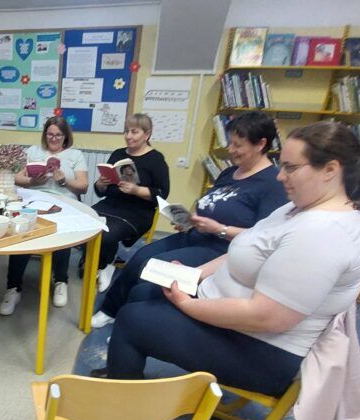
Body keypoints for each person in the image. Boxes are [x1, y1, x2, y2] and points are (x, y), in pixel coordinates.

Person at [90, 120, 360, 399]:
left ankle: (123, 400)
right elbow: (246, 247)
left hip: (263, 349)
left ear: (330, 170)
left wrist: (188, 304)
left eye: (290, 168)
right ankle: (123, 370)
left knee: (133, 320)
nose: (280, 176)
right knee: (143, 291)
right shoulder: (299, 209)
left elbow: (266, 317)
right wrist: (195, 274)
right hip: (236, 315)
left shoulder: (323, 233)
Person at [91, 111, 287, 328]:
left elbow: (264, 237)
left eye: (237, 145)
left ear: (260, 144)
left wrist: (220, 229)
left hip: (221, 249)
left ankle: (135, 320)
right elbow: (211, 203)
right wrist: (190, 220)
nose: (230, 150)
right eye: (230, 143)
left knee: (153, 269)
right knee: (139, 257)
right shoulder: (230, 172)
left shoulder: (272, 184)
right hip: (194, 234)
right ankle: (110, 310)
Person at [0, 116, 88, 315]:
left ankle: (60, 281)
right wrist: (32, 182)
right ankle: (13, 288)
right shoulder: (33, 151)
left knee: (62, 233)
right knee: (21, 232)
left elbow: (83, 186)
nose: (54, 138)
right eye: (50, 134)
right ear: (45, 134)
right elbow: (17, 178)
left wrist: (64, 180)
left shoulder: (75, 155)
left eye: (58, 135)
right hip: (35, 199)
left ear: (65, 136)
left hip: (64, 201)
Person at [91, 114, 170, 293]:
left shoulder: (156, 159)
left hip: (137, 212)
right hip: (110, 204)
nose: (128, 136)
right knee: (83, 224)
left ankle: (106, 264)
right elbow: (100, 190)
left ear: (147, 134)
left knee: (105, 234)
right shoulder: (118, 154)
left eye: (134, 132)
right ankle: (99, 260)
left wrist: (136, 190)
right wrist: (100, 184)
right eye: (126, 131)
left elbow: (162, 193)